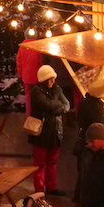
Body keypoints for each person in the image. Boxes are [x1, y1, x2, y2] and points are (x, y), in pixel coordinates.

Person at [29, 64, 70, 196]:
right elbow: (47, 105)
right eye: (50, 79)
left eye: (53, 78)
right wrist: (58, 106)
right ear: (43, 79)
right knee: (40, 164)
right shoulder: (36, 91)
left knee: (52, 161)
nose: (52, 81)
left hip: (55, 132)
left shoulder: (57, 89)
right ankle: (39, 191)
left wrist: (56, 106)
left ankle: (52, 187)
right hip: (41, 133)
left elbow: (67, 105)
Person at [75, 122, 104, 207]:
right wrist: (76, 198)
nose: (89, 144)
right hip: (87, 204)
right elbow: (81, 176)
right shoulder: (87, 152)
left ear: (102, 139)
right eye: (88, 141)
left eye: (92, 141)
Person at [76, 79, 104, 154]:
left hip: (85, 138)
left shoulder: (85, 102)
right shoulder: (97, 108)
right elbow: (100, 127)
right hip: (94, 143)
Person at [16, 37, 43, 116]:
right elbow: (41, 62)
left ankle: (29, 114)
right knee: (39, 96)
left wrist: (20, 75)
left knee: (28, 97)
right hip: (37, 77)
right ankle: (38, 115)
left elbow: (19, 63)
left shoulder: (22, 47)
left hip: (26, 77)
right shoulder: (37, 46)